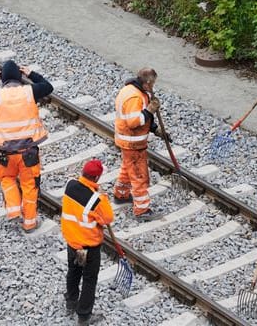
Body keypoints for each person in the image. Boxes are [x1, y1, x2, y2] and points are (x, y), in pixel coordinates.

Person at [0, 60, 53, 233]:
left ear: (2, 79)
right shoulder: (29, 91)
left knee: (7, 179)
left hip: (5, 152)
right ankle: (30, 223)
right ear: (20, 76)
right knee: (29, 185)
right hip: (28, 151)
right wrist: (31, 74)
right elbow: (48, 87)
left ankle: (14, 210)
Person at [61, 159, 114, 326]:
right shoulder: (96, 200)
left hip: (72, 242)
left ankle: (71, 302)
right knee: (90, 279)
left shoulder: (70, 185)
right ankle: (84, 316)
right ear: (96, 178)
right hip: (89, 247)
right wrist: (102, 196)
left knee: (73, 271)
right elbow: (107, 218)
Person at [113, 67, 169, 221]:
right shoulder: (135, 98)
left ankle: (121, 194)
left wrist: (155, 129)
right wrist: (150, 110)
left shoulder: (131, 90)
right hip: (132, 143)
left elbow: (140, 117)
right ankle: (142, 210)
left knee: (127, 168)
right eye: (152, 84)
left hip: (127, 141)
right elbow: (133, 122)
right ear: (147, 83)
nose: (153, 87)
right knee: (139, 175)